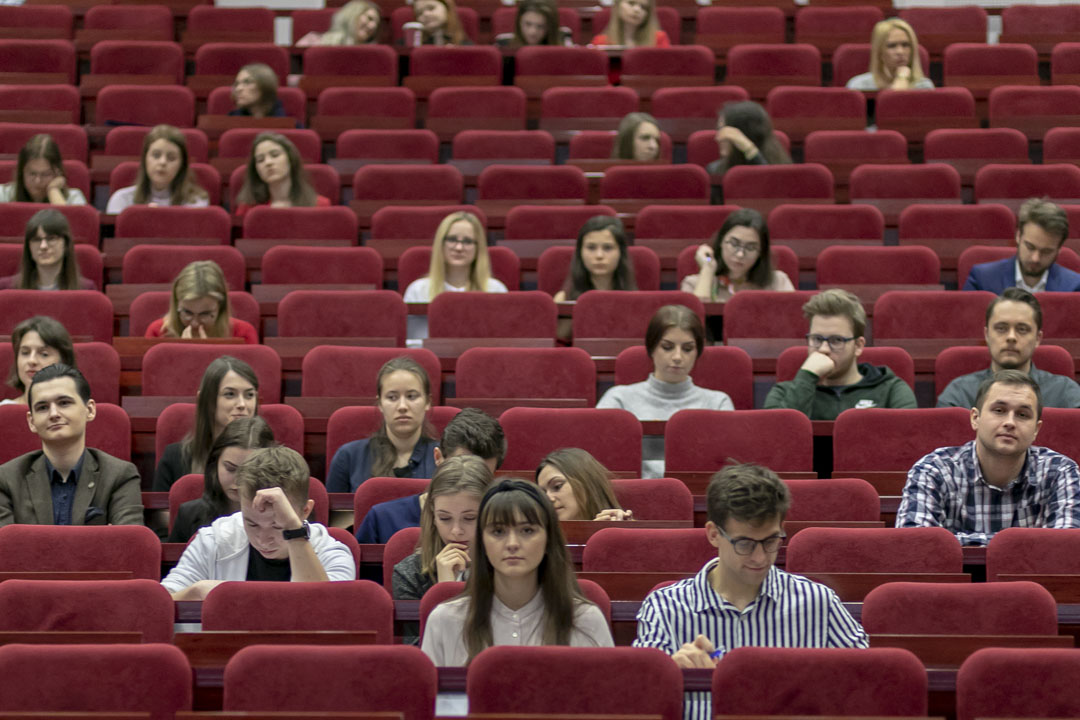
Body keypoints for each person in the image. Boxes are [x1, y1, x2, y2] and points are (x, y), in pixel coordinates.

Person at [634, 463, 868, 720]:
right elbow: (639, 699)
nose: (760, 558)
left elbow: (866, 687)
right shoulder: (664, 607)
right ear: (713, 534)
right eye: (745, 543)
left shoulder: (818, 603)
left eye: (770, 541)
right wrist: (668, 674)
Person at [421, 479, 613, 665]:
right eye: (498, 532)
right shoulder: (445, 620)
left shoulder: (586, 620)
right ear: (482, 543)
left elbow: (607, 696)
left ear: (548, 540)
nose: (512, 544)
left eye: (527, 531)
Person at [898, 370, 1080, 546]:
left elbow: (1066, 550)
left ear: (1036, 430)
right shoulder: (934, 470)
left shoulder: (1060, 472)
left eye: (1022, 415)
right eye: (999, 410)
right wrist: (1028, 544)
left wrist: (952, 542)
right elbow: (913, 546)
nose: (1010, 422)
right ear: (975, 418)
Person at [162, 445, 356, 599]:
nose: (263, 540)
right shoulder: (212, 540)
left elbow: (327, 608)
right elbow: (161, 600)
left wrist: (294, 532)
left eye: (278, 527)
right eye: (252, 524)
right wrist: (195, 591)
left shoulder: (332, 552)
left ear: (305, 511)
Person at [597, 304, 733, 478]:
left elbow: (727, 472)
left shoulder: (718, 403)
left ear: (698, 352)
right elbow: (597, 465)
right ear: (651, 348)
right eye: (667, 347)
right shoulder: (618, 399)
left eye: (687, 348)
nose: (677, 357)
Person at [0, 364, 143, 526]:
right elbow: (5, 548)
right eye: (42, 407)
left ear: (89, 410)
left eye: (64, 403)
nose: (53, 414)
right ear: (31, 421)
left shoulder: (119, 475)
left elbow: (128, 546)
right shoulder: (6, 480)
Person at [356, 408, 506, 544]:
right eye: (459, 466)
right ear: (438, 457)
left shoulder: (502, 528)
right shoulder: (382, 518)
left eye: (482, 473)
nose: (469, 478)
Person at [764, 289, 917, 419]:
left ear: (858, 346)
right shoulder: (783, 393)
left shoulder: (892, 390)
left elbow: (907, 444)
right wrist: (807, 377)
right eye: (817, 339)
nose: (824, 349)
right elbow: (775, 441)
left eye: (836, 340)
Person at [392, 454, 496, 644]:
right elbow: (423, 657)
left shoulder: (510, 565)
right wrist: (445, 590)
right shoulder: (409, 573)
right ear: (432, 514)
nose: (456, 531)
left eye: (470, 518)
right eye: (445, 518)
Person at [938, 288, 1080, 409]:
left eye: (1022, 329)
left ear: (1038, 338)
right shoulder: (960, 394)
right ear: (987, 335)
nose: (1011, 337)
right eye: (1001, 328)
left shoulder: (1065, 393)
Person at [326, 356, 439, 493]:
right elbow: (335, 514)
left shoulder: (445, 457)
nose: (402, 406)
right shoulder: (348, 456)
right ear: (380, 404)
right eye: (392, 397)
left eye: (411, 396)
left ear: (427, 402)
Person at [152, 356, 259, 491]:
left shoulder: (272, 459)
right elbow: (164, 511)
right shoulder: (175, 458)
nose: (242, 404)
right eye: (230, 394)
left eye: (249, 395)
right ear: (205, 399)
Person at [168, 416, 276, 544]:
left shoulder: (283, 516)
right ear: (215, 463)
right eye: (230, 469)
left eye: (250, 472)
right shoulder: (189, 514)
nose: (238, 481)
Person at [402, 211, 508, 340]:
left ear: (478, 247)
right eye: (452, 239)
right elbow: (414, 344)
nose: (458, 247)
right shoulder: (418, 290)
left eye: (468, 241)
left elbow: (501, 341)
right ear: (441, 243)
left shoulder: (495, 290)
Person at [963, 198, 1080, 294]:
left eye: (1046, 251)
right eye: (1030, 247)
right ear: (1018, 236)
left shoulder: (1074, 287)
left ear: (1059, 250)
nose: (1035, 258)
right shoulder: (982, 279)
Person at [681, 208, 795, 303]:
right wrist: (707, 269)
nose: (740, 254)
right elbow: (695, 319)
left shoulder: (778, 282)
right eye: (734, 244)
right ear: (721, 241)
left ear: (761, 252)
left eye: (750, 247)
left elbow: (794, 320)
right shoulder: (694, 284)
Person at [144, 260, 259, 344]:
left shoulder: (243, 334)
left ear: (221, 307)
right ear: (177, 304)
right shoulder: (157, 333)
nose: (195, 323)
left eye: (205, 314)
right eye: (187, 313)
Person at [105, 125, 209, 214]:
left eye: (171, 158)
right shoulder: (122, 200)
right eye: (156, 155)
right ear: (145, 159)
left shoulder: (196, 202)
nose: (162, 162)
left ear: (182, 164)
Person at [706, 101, 791, 204]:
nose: (718, 138)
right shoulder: (715, 170)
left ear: (744, 135)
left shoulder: (782, 170)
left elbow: (768, 185)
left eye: (724, 131)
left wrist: (749, 149)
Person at [233, 132, 330, 218]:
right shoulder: (247, 209)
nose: (268, 162)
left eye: (275, 155)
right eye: (260, 160)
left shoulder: (319, 205)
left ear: (290, 159)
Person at [0, 210, 94, 290]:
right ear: (29, 247)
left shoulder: (86, 289)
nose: (43, 246)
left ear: (65, 244)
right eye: (36, 240)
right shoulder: (5, 289)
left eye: (51, 239)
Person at [535, 447, 631, 521]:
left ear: (586, 483)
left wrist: (621, 533)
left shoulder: (618, 525)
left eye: (557, 486)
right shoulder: (538, 539)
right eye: (542, 493)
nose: (548, 499)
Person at [2, 316, 74, 407]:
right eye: (25, 353)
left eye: (44, 354)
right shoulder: (4, 410)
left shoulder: (78, 411)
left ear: (63, 361)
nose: (31, 360)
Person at [846, 18, 933, 91]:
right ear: (879, 51)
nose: (900, 52)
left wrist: (902, 78)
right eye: (892, 46)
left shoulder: (923, 86)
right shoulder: (859, 86)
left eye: (905, 45)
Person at [0, 134, 86, 206]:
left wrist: (53, 190)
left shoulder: (74, 198)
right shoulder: (3, 195)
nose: (38, 181)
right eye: (32, 174)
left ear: (58, 173)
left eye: (45, 174)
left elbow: (71, 223)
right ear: (21, 172)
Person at [297, 0, 381, 46]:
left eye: (376, 23)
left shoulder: (372, 53)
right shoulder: (312, 42)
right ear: (352, 15)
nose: (373, 26)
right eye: (369, 18)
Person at [591, 0, 669, 47]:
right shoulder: (601, 42)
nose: (637, 10)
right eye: (631, 3)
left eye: (644, 7)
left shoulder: (659, 39)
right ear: (618, 6)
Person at [498, 0, 570, 47]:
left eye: (541, 26)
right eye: (528, 24)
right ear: (519, 22)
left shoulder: (564, 41)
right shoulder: (503, 45)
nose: (532, 32)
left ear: (550, 27)